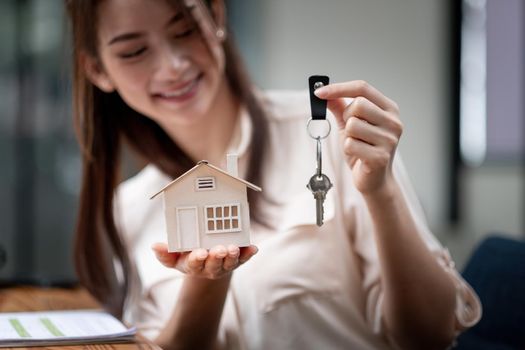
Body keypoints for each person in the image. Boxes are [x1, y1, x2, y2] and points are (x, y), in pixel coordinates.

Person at [65, 0, 481, 349]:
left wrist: (381, 191)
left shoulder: (329, 135)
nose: (172, 66)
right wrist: (207, 282)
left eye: (186, 30)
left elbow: (431, 333)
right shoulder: (130, 209)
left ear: (217, 17)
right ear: (98, 70)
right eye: (134, 51)